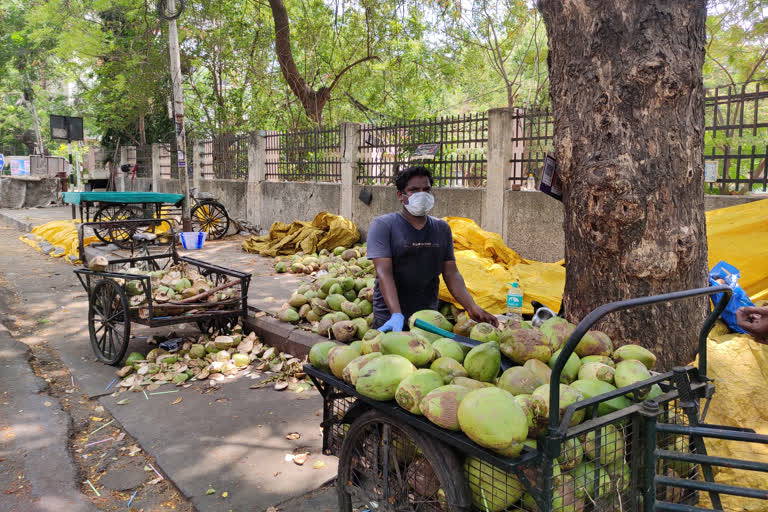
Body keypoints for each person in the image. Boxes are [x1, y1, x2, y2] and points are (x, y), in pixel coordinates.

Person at [366, 165, 498, 332]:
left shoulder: (441, 228)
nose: (421, 194)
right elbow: (384, 272)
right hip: (389, 316)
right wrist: (396, 314)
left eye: (426, 189)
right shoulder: (384, 225)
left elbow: (451, 273)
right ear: (400, 195)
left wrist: (471, 306)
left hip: (428, 317)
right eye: (414, 190)